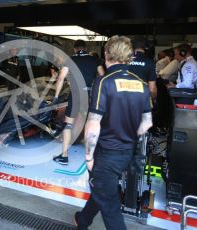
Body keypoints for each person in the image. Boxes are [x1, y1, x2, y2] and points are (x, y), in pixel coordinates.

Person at [74, 35, 153, 230]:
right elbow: (147, 123)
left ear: (106, 54)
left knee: (110, 207)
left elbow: (93, 123)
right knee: (102, 190)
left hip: (106, 154)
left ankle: (84, 221)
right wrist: (128, 133)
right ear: (128, 56)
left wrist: (88, 156)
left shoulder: (104, 82)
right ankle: (82, 220)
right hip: (128, 153)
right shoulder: (141, 83)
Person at [53, 39, 105, 165]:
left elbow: (60, 78)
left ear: (74, 49)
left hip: (75, 95)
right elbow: (103, 77)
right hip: (90, 95)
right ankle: (93, 156)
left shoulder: (70, 60)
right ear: (85, 48)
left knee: (68, 124)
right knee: (92, 123)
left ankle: (64, 156)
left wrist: (55, 96)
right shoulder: (94, 60)